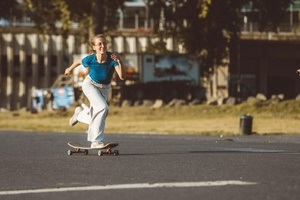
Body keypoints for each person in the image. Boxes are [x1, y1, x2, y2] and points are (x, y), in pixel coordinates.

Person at [64, 34, 126, 148]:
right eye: (99, 44)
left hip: (105, 88)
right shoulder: (91, 58)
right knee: (103, 108)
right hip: (90, 84)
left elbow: (122, 76)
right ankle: (96, 141)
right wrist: (69, 69)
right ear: (94, 47)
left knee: (101, 114)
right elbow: (78, 62)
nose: (103, 46)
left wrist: (120, 62)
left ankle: (80, 115)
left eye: (104, 43)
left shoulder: (112, 58)